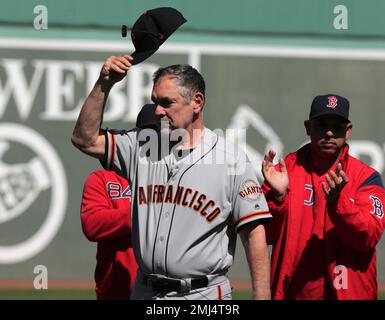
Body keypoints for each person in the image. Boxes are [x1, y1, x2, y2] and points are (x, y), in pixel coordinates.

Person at [71, 55, 272, 300]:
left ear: (197, 102)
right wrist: (104, 84)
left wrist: (262, 296)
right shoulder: (141, 146)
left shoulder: (231, 159)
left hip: (202, 294)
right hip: (145, 292)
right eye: (155, 101)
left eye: (167, 102)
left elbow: (253, 234)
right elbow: (84, 139)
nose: (157, 111)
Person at [262, 94, 385, 300]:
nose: (329, 133)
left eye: (336, 126)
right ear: (308, 127)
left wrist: (340, 205)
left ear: (348, 131)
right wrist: (278, 198)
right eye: (321, 125)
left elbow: (369, 236)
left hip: (348, 293)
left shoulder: (366, 178)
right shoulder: (285, 173)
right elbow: (264, 234)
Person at [80, 104, 159, 300]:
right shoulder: (102, 178)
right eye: (146, 133)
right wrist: (143, 213)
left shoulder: (175, 177)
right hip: (116, 291)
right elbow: (92, 224)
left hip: (165, 291)